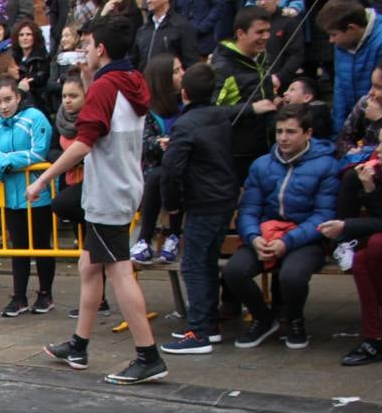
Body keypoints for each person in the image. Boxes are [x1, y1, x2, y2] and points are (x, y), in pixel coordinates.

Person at [28, 15, 167, 385]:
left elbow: (84, 143)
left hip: (108, 192)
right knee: (90, 266)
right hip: (121, 185)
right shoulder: (129, 79)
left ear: (101, 49)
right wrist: (90, 77)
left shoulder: (107, 88)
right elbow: (105, 113)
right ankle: (78, 345)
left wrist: (42, 179)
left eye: (88, 46)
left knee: (119, 272)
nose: (84, 51)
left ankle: (147, 355)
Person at [223, 104, 340, 351]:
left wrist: (287, 242)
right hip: (266, 233)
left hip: (306, 238)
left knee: (292, 275)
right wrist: (254, 237)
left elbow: (322, 216)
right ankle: (264, 319)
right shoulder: (262, 165)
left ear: (308, 133)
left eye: (290, 132)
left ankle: (295, 320)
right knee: (234, 272)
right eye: (279, 132)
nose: (283, 138)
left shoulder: (326, 165)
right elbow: (249, 210)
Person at [160, 63, 236, 354]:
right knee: (207, 261)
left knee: (193, 263)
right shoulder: (219, 117)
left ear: (184, 92)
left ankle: (200, 330)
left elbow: (171, 169)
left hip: (203, 201)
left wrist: (173, 205)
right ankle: (209, 324)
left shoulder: (186, 125)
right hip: (223, 198)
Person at [0, 76, 56, 316]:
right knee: (18, 246)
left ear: (18, 97)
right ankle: (19, 296)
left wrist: (7, 161)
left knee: (41, 245)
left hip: (36, 194)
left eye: (8, 99)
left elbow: (39, 153)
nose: (3, 106)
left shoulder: (35, 118)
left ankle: (45, 293)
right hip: (9, 196)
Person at [319, 123, 382, 365]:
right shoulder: (379, 171)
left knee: (379, 245)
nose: (377, 150)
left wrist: (346, 227)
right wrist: (371, 187)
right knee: (361, 259)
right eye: (379, 142)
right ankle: (374, 338)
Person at [211, 7, 278, 186]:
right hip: (237, 153)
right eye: (260, 32)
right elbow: (209, 112)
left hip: (265, 146)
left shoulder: (262, 57)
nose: (266, 36)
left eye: (268, 31)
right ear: (241, 33)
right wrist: (252, 109)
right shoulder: (223, 68)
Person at [129, 54, 183, 264]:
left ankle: (174, 236)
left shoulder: (186, 104)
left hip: (182, 169)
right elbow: (143, 141)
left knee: (170, 178)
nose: (182, 75)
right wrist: (158, 143)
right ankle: (144, 240)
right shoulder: (148, 110)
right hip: (156, 168)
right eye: (176, 71)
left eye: (181, 70)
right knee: (156, 178)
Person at [320, 0, 382, 137]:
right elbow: (340, 87)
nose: (331, 40)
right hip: (353, 122)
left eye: (333, 34)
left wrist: (380, 121)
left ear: (351, 28)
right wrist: (339, 134)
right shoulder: (342, 43)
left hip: (377, 124)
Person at [134, 0, 199, 69]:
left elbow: (191, 62)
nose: (148, 1)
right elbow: (135, 59)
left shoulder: (181, 26)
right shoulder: (143, 29)